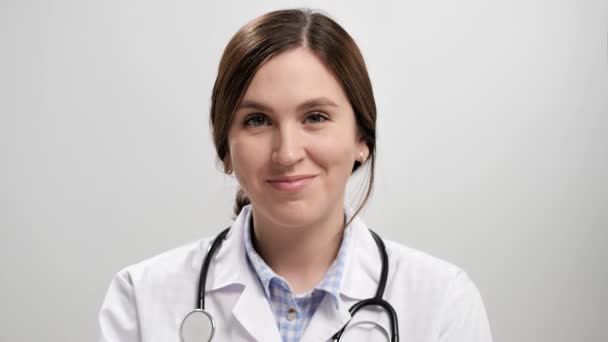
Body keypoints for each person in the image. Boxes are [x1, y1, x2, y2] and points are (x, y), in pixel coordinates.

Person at [98, 8, 493, 342]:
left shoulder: (443, 302)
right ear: (225, 149)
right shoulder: (142, 297)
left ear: (362, 139)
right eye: (257, 120)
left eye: (315, 117)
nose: (286, 153)